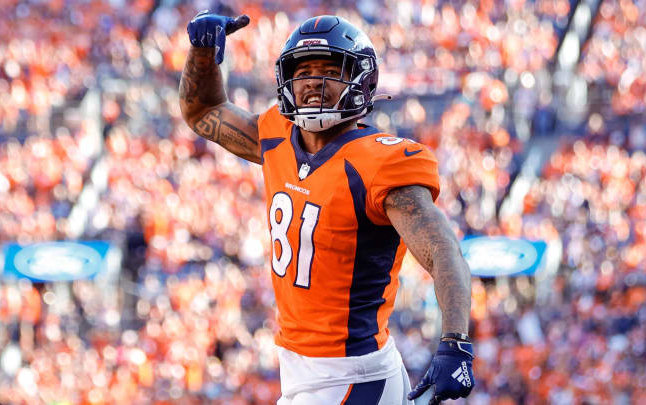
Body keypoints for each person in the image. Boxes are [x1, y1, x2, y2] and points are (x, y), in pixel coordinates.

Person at [180, 11, 475, 405]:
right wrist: (201, 55)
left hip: (354, 375)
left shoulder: (381, 162)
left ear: (361, 79)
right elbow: (202, 112)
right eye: (303, 72)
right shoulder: (276, 135)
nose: (313, 82)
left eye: (330, 70)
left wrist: (455, 340)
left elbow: (442, 250)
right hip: (302, 371)